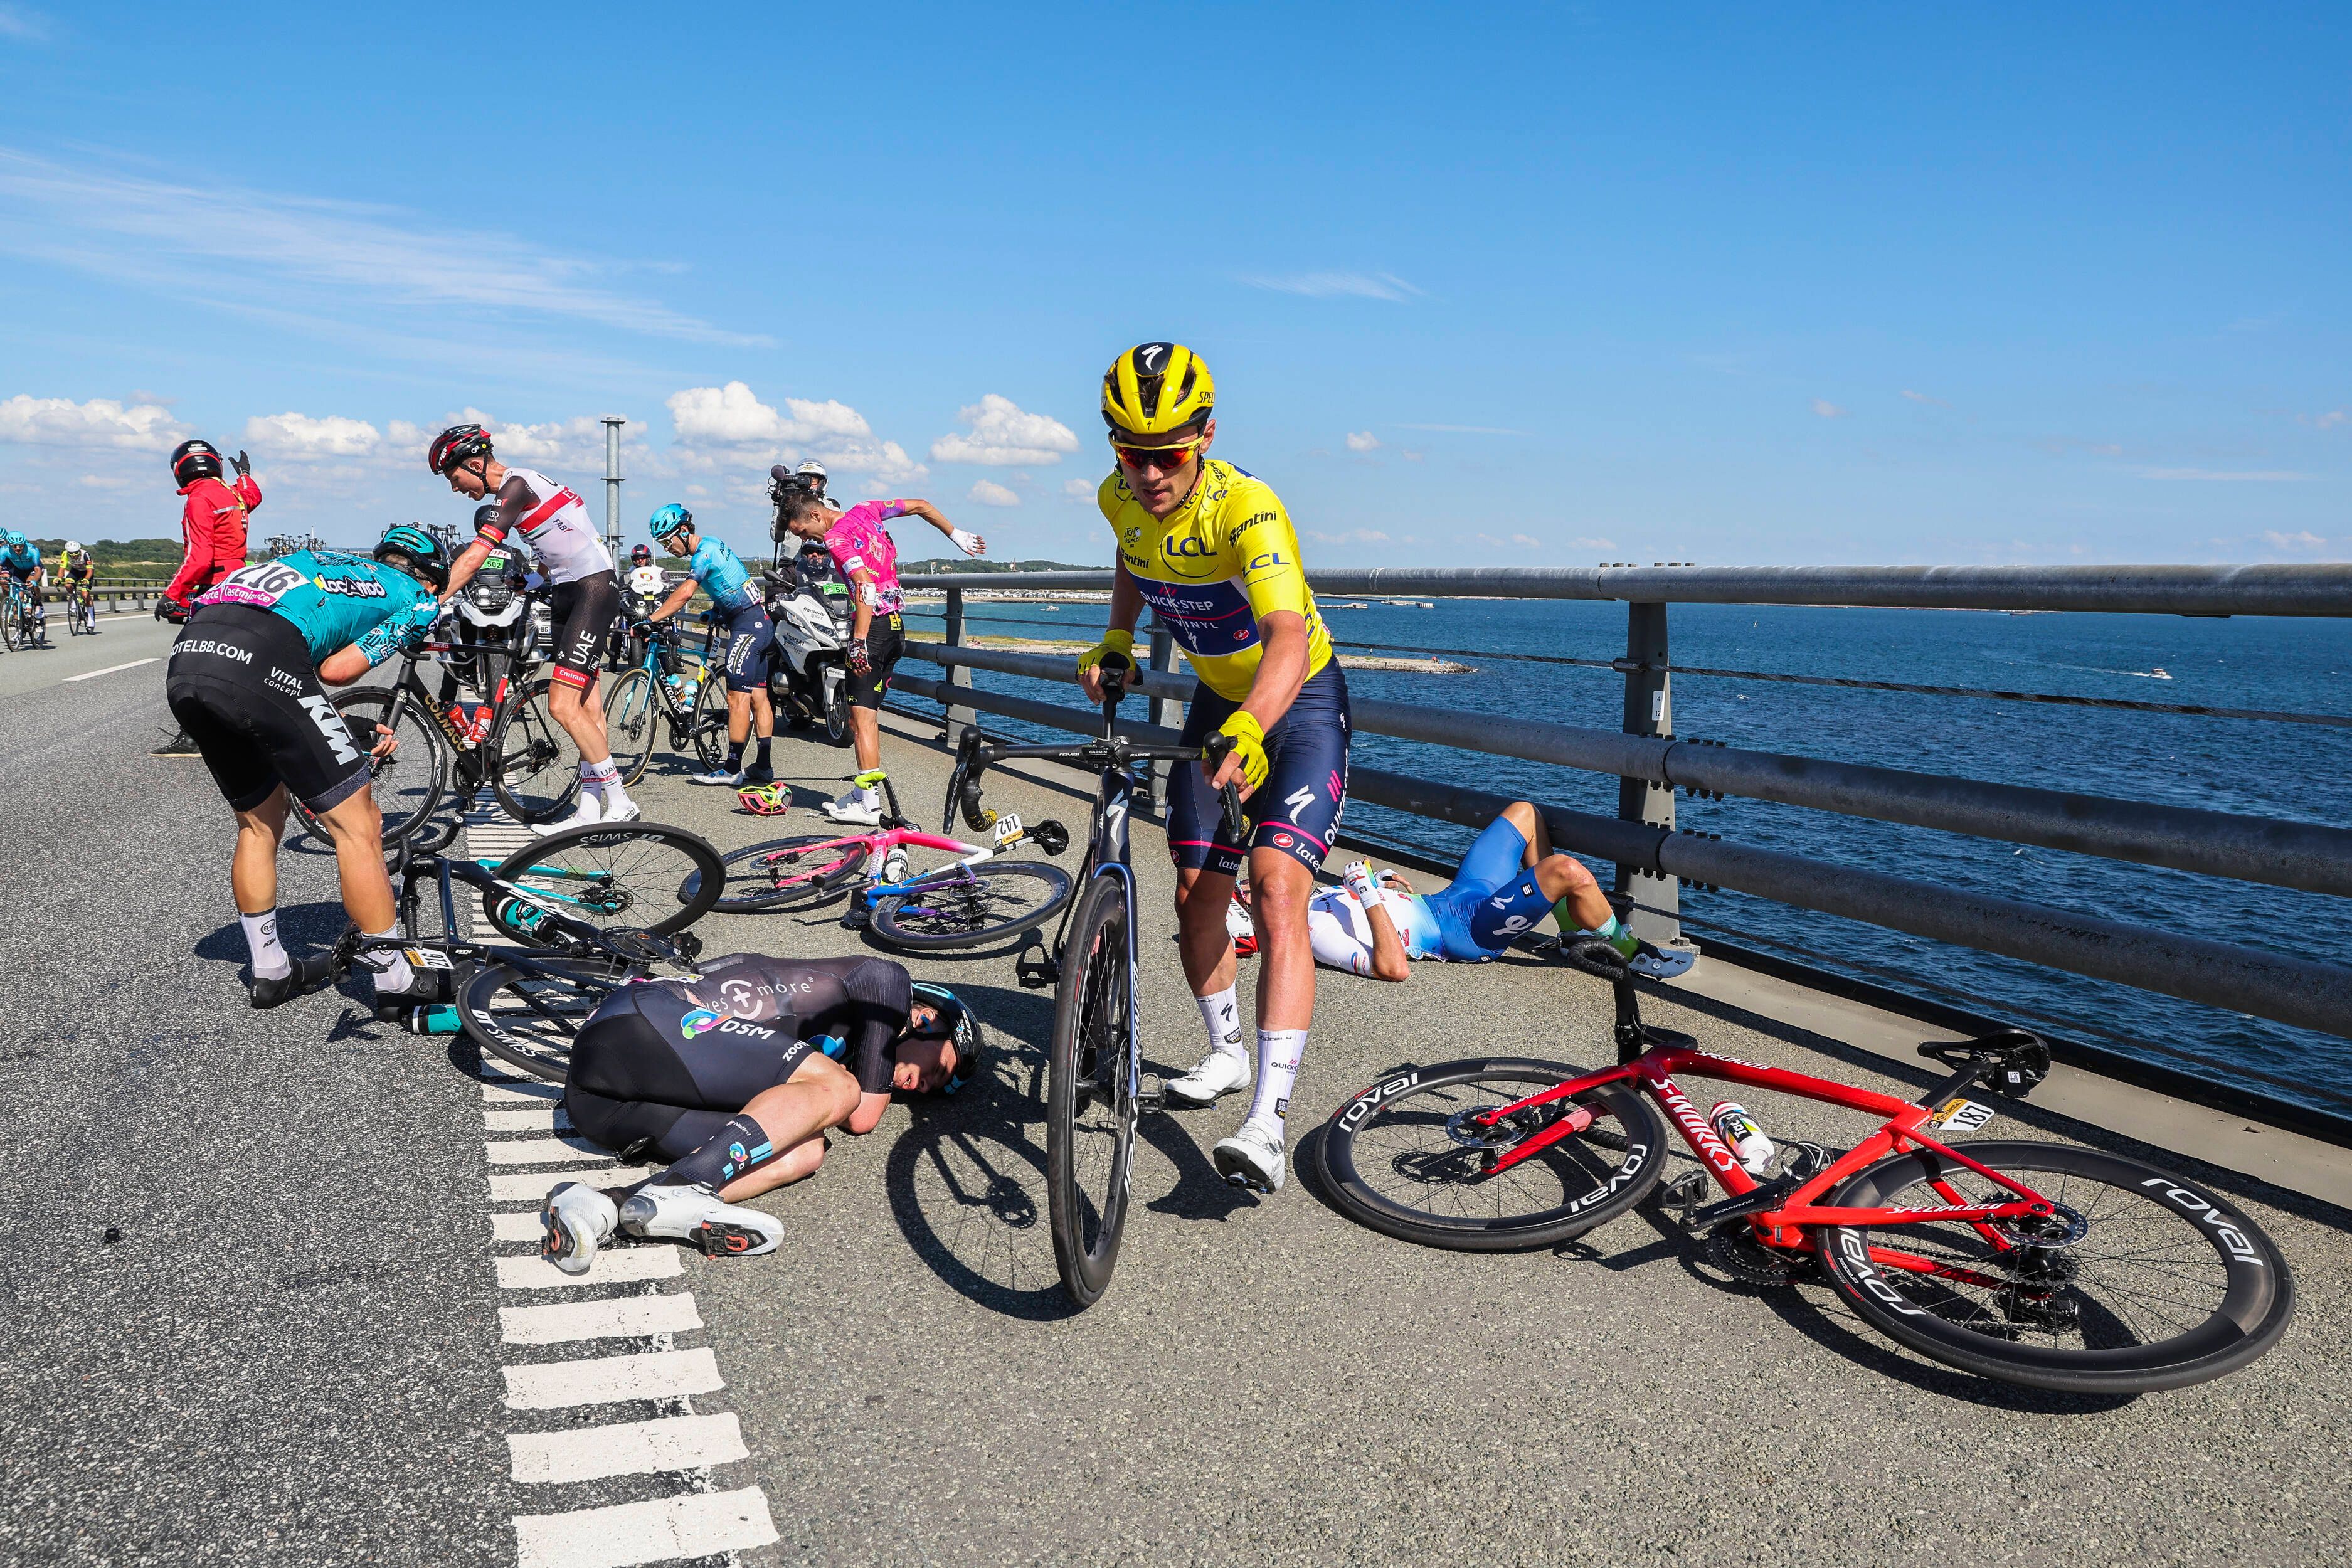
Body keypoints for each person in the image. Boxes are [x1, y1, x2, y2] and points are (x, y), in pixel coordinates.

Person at [1076, 341, 1347, 1196]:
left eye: (1169, 454)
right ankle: (1227, 1053)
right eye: (1133, 453)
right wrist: (1118, 636)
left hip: (1296, 701)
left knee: (1275, 890)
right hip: (1216, 699)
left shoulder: (1247, 508)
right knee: (1195, 890)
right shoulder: (1118, 495)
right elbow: (1132, 552)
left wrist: (1254, 725)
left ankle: (1266, 1122)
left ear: (1206, 437)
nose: (1151, 473)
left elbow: (1288, 634)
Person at [163, 526, 454, 1013]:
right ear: (429, 579)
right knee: (360, 826)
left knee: (258, 827)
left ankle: (270, 971)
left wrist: (346, 725)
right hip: (259, 662)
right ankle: (395, 978)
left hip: (189, 660)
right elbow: (335, 672)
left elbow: (285, 686)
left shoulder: (330, 563)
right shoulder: (419, 597)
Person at [541, 955, 980, 1271]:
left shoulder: (837, 1053)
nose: (925, 1086)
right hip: (640, 1021)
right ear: (927, 1019)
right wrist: (856, 1081)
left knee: (805, 1150)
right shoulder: (888, 982)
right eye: (939, 1070)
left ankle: (607, 1206)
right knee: (839, 1089)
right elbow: (862, 1116)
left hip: (603, 1105)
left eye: (932, 1091)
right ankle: (687, 1185)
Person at [425, 423, 634, 832]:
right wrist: (536, 579)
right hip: (568, 591)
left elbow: (476, 555)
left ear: (475, 463)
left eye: (454, 477)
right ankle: (589, 811)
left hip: (591, 590)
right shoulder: (522, 488)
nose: (455, 488)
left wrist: (432, 602)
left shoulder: (516, 486)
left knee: (562, 705)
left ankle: (621, 801)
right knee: (587, 709)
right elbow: (560, 542)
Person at [1230, 802, 1696, 982]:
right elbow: (1392, 968)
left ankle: (1572, 933)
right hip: (1467, 932)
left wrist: (1380, 886)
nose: (1259, 881)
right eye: (1250, 890)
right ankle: (1629, 951)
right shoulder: (1310, 933)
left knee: (1524, 814)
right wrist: (1368, 895)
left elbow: (1372, 908)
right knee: (1565, 871)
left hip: (1453, 898)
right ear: (1254, 912)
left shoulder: (1310, 901)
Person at [773, 475, 985, 825]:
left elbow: (865, 586)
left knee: (862, 720)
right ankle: (863, 794)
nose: (810, 540)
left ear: (815, 516)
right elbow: (921, 505)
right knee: (865, 716)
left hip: (871, 630)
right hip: (895, 627)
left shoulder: (837, 539)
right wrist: (955, 534)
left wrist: (858, 641)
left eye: (804, 532)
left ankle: (869, 805)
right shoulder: (866, 510)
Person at [641, 504, 776, 787]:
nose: (667, 548)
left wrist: (652, 619)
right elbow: (731, 580)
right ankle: (763, 766)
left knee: (737, 699)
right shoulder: (714, 543)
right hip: (759, 623)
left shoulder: (702, 555)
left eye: (668, 541)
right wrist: (716, 611)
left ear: (684, 531)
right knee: (759, 698)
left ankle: (732, 769)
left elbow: (686, 592)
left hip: (747, 627)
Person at [154, 441, 263, 755]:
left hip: (214, 587)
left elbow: (199, 558)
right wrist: (244, 474)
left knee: (192, 663)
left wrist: (171, 595)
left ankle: (193, 736)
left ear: (180, 469)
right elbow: (253, 496)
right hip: (240, 583)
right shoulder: (231, 492)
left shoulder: (199, 499)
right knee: (234, 658)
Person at [0, 531, 44, 644]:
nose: (18, 548)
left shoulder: (32, 550)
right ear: (9, 545)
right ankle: (18, 631)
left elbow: (38, 569)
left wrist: (35, 581)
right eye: (15, 546)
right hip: (19, 571)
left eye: (21, 545)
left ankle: (38, 603)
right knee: (17, 598)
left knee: (30, 582)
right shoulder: (4, 550)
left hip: (33, 570)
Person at [56, 540, 96, 631]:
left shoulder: (85, 554)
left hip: (87, 573)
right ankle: (73, 601)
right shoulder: (65, 554)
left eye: (76, 553)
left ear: (79, 550)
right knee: (68, 585)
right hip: (75, 572)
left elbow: (90, 571)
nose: (74, 555)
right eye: (71, 553)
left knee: (85, 594)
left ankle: (91, 617)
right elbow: (62, 568)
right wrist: (59, 579)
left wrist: (86, 579)